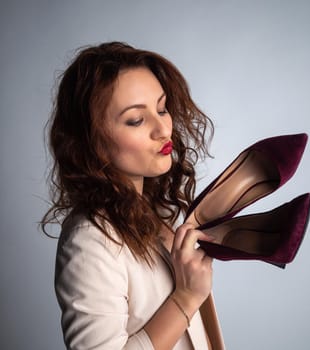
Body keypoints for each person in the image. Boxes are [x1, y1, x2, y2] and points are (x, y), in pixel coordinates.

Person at [42, 41, 225, 350]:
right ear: (93, 142)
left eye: (162, 108)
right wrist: (185, 297)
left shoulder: (152, 213)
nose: (163, 129)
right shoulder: (90, 240)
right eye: (136, 120)